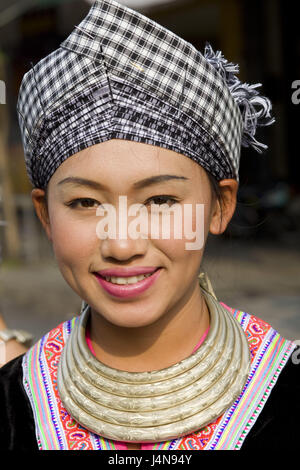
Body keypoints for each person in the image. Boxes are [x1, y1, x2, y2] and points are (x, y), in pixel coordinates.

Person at [0, 0, 299, 451]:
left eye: (160, 200)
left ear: (220, 206)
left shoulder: (286, 388)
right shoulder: (15, 400)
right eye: (85, 202)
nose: (122, 243)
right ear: (45, 213)